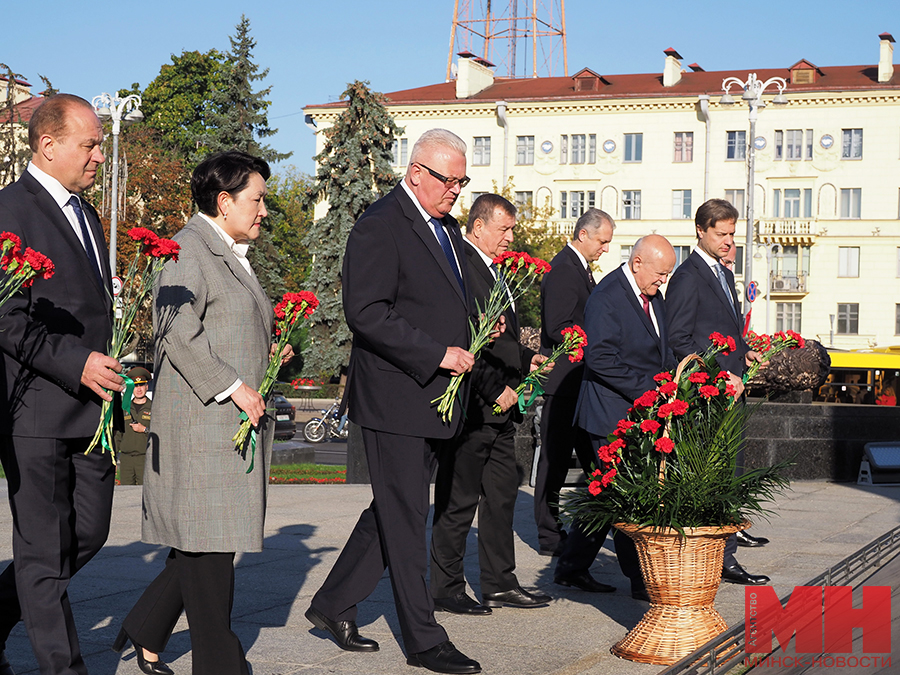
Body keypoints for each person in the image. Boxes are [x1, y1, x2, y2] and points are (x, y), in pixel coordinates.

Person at [306, 129, 481, 675]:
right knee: (407, 518)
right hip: (395, 395)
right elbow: (367, 312)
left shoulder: (445, 227)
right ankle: (425, 640)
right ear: (416, 173)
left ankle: (333, 603)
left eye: (463, 180)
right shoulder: (380, 224)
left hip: (433, 398)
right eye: (448, 179)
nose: (456, 190)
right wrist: (437, 354)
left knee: (393, 509)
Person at [114, 150, 288, 675]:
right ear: (223, 200)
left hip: (225, 426)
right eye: (256, 200)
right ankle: (220, 663)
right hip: (202, 424)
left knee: (206, 541)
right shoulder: (189, 248)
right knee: (209, 549)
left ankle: (146, 628)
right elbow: (175, 330)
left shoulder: (226, 251)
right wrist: (234, 386)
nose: (264, 210)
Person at [0, 94, 125, 675]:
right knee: (42, 551)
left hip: (93, 412)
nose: (100, 155)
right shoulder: (9, 212)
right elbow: (6, 318)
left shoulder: (86, 213)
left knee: (91, 530)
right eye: (91, 144)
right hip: (37, 410)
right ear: (48, 147)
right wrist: (75, 363)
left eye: (100, 143)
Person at [430, 194, 551, 616]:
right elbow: (467, 340)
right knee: (459, 500)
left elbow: (498, 338)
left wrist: (524, 357)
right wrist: (492, 388)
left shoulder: (495, 271)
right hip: (476, 406)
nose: (510, 237)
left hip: (502, 407)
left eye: (512, 229)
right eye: (504, 229)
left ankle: (499, 583)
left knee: (500, 497)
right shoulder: (462, 268)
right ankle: (444, 587)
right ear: (478, 227)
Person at [665, 198, 770, 586]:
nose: (729, 241)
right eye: (721, 234)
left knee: (733, 472)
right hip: (708, 397)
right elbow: (679, 341)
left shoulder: (724, 274)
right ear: (700, 231)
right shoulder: (688, 276)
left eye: (732, 234)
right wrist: (717, 375)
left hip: (732, 391)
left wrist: (745, 352)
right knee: (715, 475)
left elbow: (721, 332)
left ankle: (728, 540)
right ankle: (722, 558)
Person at [569, 235, 678, 601]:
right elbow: (600, 359)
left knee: (606, 493)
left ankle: (572, 565)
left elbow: (661, 348)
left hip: (639, 411)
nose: (663, 281)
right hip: (609, 414)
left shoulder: (653, 295)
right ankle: (640, 579)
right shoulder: (607, 296)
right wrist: (650, 390)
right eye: (660, 273)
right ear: (637, 263)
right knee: (629, 495)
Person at [534, 210, 616, 579]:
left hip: (580, 381)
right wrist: (595, 341)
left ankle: (590, 527)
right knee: (554, 461)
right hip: (565, 381)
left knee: (596, 463)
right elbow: (557, 325)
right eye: (602, 241)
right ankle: (550, 534)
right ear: (584, 234)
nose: (606, 248)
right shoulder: (565, 268)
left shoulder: (577, 266)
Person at [114, 367, 152, 485]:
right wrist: (113, 460)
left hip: (145, 459)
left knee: (144, 494)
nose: (139, 389)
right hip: (126, 460)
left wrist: (145, 429)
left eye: (141, 385)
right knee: (126, 494)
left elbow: (161, 434)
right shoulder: (124, 408)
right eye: (135, 386)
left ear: (147, 387)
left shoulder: (154, 408)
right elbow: (118, 436)